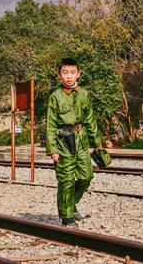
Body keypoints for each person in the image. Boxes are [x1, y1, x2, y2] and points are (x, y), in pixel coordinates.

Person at [46, 58, 102, 228]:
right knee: (66, 180)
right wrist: (53, 149)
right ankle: (66, 217)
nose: (69, 76)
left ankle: (70, 203)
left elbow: (91, 119)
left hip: (81, 140)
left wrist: (97, 143)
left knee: (86, 177)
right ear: (59, 75)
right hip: (63, 141)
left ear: (78, 74)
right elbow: (50, 124)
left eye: (72, 72)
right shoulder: (56, 97)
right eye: (65, 72)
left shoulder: (84, 94)